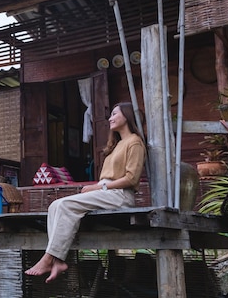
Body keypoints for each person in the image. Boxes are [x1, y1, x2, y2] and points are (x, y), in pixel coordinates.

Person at [24, 102, 146, 283]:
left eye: (114, 114)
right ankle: (58, 261)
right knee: (54, 206)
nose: (110, 118)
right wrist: (100, 187)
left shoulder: (135, 142)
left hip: (120, 195)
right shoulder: (116, 145)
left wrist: (98, 187)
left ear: (126, 116)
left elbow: (131, 179)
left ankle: (49, 258)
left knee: (66, 204)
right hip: (108, 193)